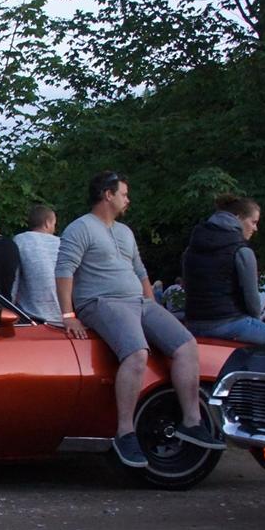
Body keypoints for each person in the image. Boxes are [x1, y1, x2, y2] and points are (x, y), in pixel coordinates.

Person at [55, 171, 225, 469]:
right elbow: (64, 271)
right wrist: (68, 315)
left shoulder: (124, 232)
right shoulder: (79, 228)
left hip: (138, 302)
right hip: (102, 302)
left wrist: (152, 305)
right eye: (123, 194)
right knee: (136, 353)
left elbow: (140, 271)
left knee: (186, 345)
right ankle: (124, 432)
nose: (127, 199)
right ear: (107, 195)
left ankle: (191, 421)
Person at [182, 194, 265, 344]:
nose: (255, 228)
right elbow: (252, 300)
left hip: (193, 323)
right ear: (238, 218)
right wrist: (256, 321)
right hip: (229, 323)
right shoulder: (241, 251)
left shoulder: (192, 247)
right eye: (253, 222)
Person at [11, 204, 62, 324]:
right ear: (47, 223)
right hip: (63, 318)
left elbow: (13, 279)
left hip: (31, 318)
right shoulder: (62, 243)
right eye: (54, 224)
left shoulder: (19, 241)